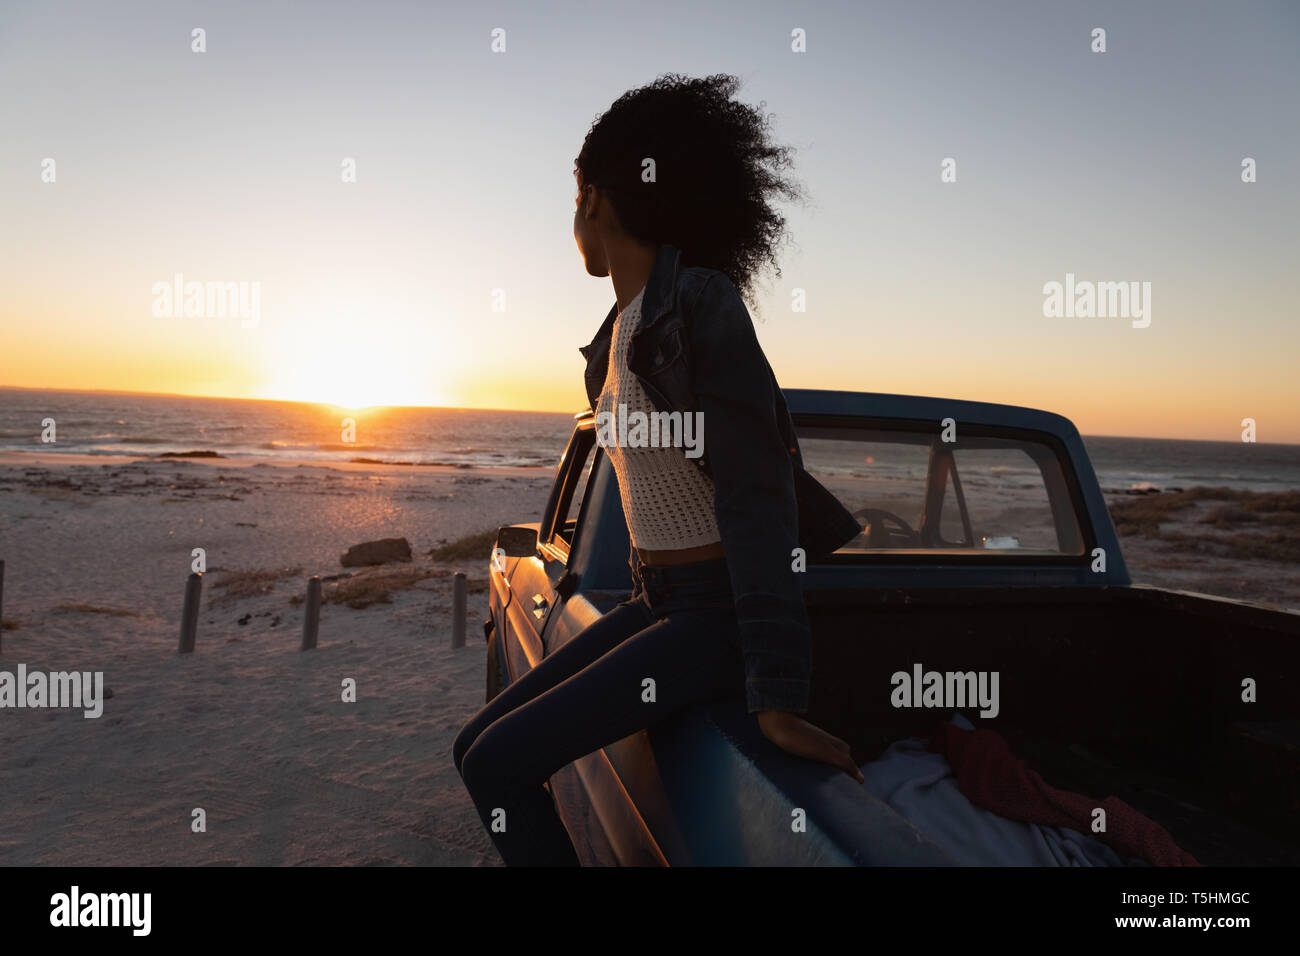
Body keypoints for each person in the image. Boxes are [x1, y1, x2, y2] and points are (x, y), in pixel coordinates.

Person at [453, 73, 863, 866]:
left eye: (572, 198)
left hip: (714, 617)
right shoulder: (618, 333)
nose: (570, 218)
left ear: (595, 198)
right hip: (657, 598)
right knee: (476, 746)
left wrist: (777, 694)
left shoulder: (700, 304)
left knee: (498, 766)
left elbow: (758, 491)